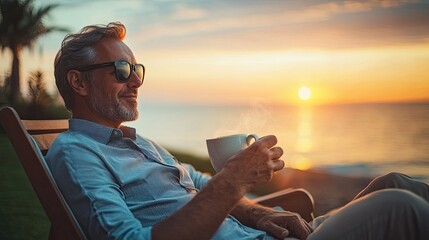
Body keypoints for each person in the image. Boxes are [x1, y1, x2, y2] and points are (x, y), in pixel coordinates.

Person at [46, 22, 429, 240]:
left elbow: (197, 181)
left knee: (394, 182)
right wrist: (235, 180)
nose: (136, 82)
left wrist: (258, 215)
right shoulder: (77, 153)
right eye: (121, 71)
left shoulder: (139, 144)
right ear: (78, 83)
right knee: (400, 207)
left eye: (137, 70)